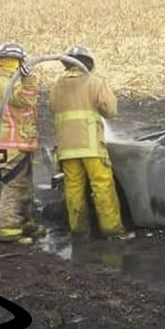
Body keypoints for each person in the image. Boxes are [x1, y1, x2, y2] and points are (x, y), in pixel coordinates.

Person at [49, 46, 131, 239]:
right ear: (88, 63)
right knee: (102, 186)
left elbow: (53, 108)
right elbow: (110, 111)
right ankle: (112, 231)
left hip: (67, 149)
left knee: (73, 189)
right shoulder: (95, 82)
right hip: (92, 147)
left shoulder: (57, 85)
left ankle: (79, 231)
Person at [0, 43, 44, 243]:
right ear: (16, 62)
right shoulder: (5, 83)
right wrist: (29, 79)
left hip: (17, 143)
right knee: (14, 187)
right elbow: (25, 100)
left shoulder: (6, 80)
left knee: (25, 186)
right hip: (10, 145)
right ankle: (9, 230)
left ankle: (24, 222)